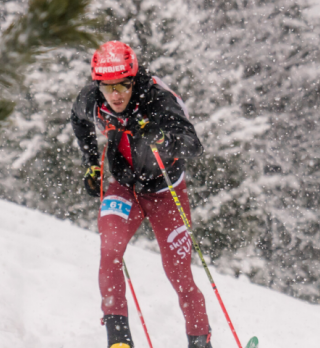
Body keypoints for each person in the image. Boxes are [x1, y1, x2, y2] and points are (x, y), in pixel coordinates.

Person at [70, 41, 211, 348]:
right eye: (108, 88)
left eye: (122, 86)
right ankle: (119, 339)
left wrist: (164, 139)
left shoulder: (159, 99)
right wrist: (91, 164)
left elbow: (193, 144)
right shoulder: (92, 100)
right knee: (110, 249)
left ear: (134, 79)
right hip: (126, 186)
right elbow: (78, 121)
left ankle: (200, 341)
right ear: (98, 84)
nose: (116, 95)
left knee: (178, 272)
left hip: (165, 190)